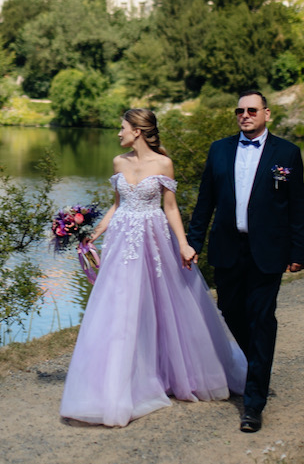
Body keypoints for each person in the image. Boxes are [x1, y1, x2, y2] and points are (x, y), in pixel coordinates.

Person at [60, 109, 246, 427]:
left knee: (165, 304)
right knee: (121, 307)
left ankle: (173, 371)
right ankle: (121, 382)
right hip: (121, 241)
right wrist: (92, 234)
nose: (118, 133)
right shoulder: (119, 162)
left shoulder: (163, 164)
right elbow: (117, 205)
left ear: (138, 131)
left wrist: (185, 244)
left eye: (122, 128)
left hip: (155, 239)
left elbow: (170, 208)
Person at [186, 90, 304, 433]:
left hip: (268, 251)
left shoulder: (287, 153)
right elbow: (205, 202)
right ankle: (256, 364)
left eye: (252, 110)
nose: (245, 115)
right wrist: (192, 242)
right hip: (228, 248)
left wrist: (299, 251)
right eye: (240, 110)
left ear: (267, 114)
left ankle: (254, 403)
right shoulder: (219, 150)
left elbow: (297, 206)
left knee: (261, 318)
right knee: (230, 310)